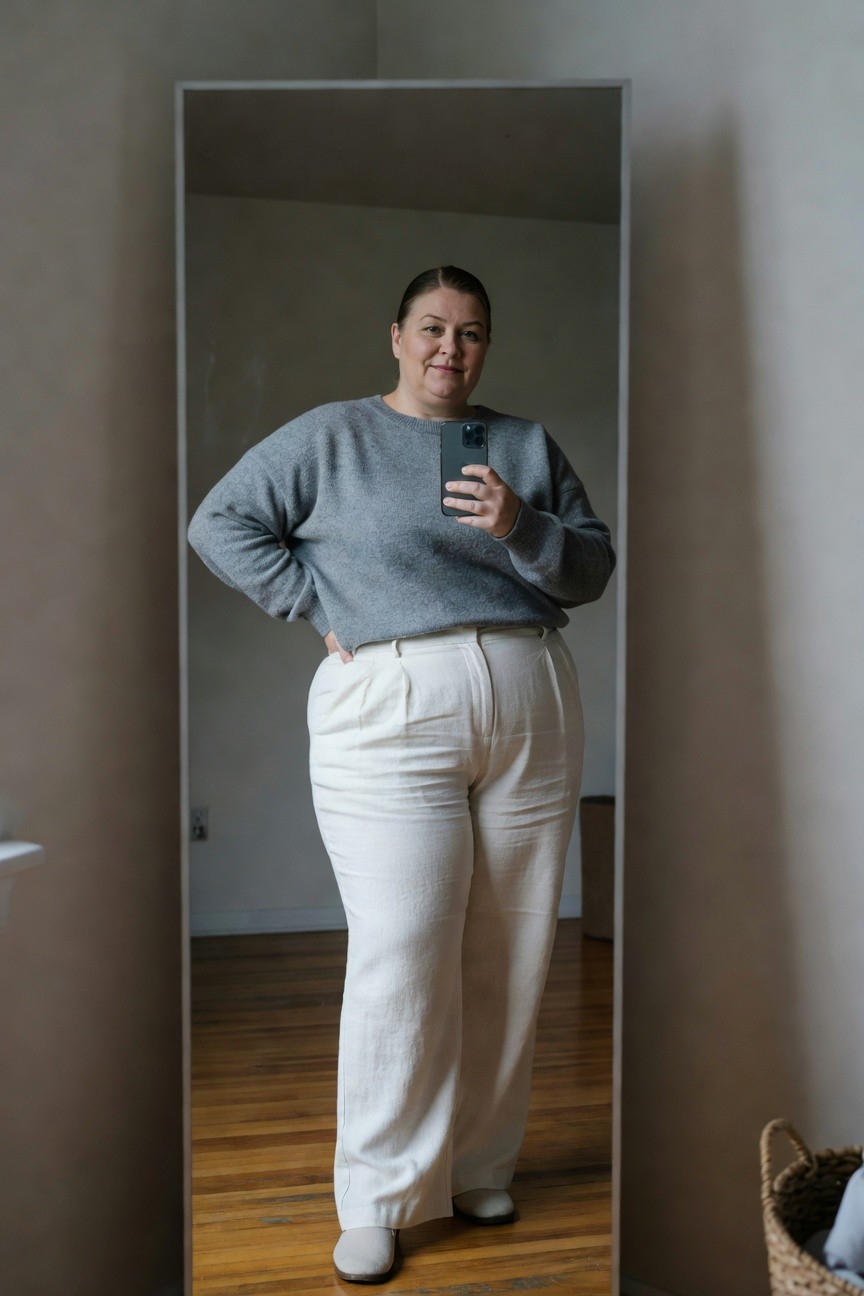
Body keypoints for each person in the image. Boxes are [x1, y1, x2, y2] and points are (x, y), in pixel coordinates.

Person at [187, 265, 616, 1283]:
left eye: (471, 334)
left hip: (528, 690)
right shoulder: (329, 436)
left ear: (486, 348)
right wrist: (312, 604)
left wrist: (521, 523)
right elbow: (220, 524)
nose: (450, 350)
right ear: (395, 336)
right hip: (389, 701)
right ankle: (377, 1196)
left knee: (511, 945)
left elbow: (592, 568)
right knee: (401, 946)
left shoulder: (522, 444)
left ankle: (478, 1167)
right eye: (432, 328)